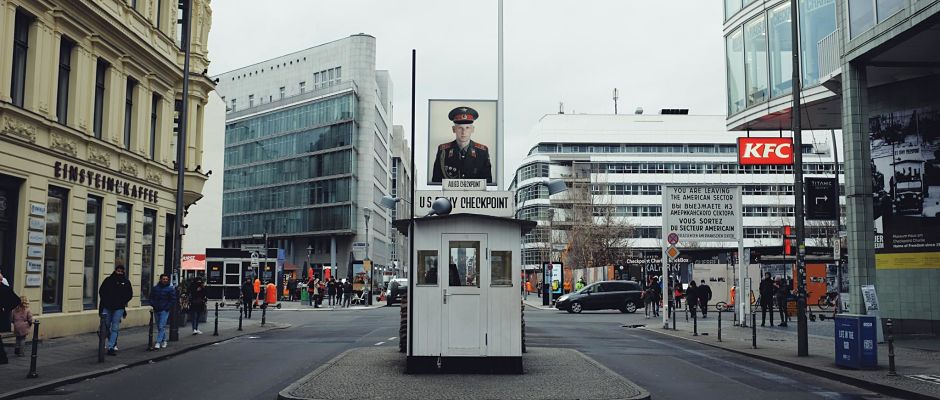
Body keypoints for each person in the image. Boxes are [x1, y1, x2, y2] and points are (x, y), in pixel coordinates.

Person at [431, 106, 493, 183]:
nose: (464, 132)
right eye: (460, 128)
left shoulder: (482, 152)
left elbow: (487, 183)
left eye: (467, 128)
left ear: (472, 129)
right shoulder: (443, 151)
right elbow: (436, 182)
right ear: (454, 129)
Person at [99, 265, 133, 355]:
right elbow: (101, 291)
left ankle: (111, 347)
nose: (119, 273)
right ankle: (111, 341)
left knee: (115, 327)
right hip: (107, 306)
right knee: (105, 325)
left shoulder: (126, 282)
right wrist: (106, 301)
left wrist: (123, 301)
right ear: (115, 271)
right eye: (118, 271)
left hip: (119, 308)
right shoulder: (108, 280)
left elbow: (129, 294)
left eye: (121, 271)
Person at [150, 274, 175, 349]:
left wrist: (167, 307)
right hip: (156, 309)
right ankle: (164, 340)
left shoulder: (170, 289)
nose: (165, 280)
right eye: (163, 279)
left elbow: (173, 300)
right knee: (159, 326)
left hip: (164, 310)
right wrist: (153, 304)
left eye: (166, 279)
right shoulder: (155, 288)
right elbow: (151, 297)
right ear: (160, 279)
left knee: (161, 326)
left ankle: (158, 342)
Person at [0, 282, 20, 364]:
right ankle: (3, 358)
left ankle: (3, 358)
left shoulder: (4, 288)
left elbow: (16, 301)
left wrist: (5, 308)